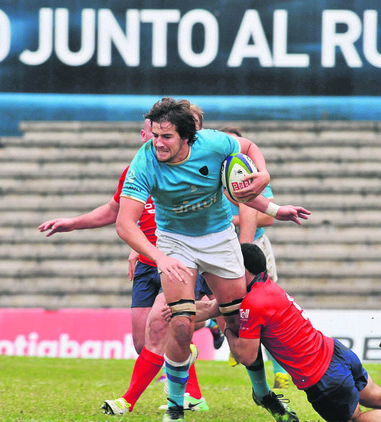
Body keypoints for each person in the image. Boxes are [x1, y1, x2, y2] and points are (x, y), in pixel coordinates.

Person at [117, 97, 310, 422]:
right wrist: (159, 256)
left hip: (219, 239)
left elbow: (248, 147)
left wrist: (266, 181)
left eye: (166, 137)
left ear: (187, 137)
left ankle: (262, 393)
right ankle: (176, 405)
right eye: (155, 136)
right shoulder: (144, 161)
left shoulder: (215, 143)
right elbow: (124, 223)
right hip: (175, 242)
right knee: (179, 325)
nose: (158, 143)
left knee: (237, 323)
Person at [184, 243, 381, 422]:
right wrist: (200, 309)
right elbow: (219, 309)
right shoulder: (268, 288)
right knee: (377, 395)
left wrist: (223, 319)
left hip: (322, 378)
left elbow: (246, 355)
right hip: (336, 353)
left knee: (355, 418)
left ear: (244, 270)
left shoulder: (252, 303)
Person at [38, 118, 210, 414]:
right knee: (144, 345)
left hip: (179, 263)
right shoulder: (136, 171)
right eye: (150, 132)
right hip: (147, 264)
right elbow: (115, 211)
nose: (153, 138)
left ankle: (127, 401)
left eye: (160, 133)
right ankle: (193, 394)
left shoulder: (194, 169)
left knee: (160, 328)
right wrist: (73, 224)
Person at [220, 125, 290, 390]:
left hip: (254, 247)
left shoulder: (247, 171)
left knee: (266, 307)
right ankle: (230, 337)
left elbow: (267, 217)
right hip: (220, 247)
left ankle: (280, 369)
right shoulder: (213, 172)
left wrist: (234, 219)